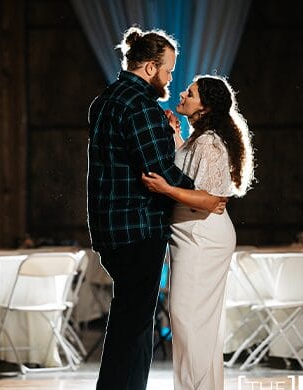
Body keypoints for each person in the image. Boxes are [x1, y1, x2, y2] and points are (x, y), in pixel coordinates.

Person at [87, 27, 225, 390]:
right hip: (138, 228)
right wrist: (206, 196)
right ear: (150, 67)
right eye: (168, 70)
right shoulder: (140, 105)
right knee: (133, 326)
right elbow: (159, 171)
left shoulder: (104, 100)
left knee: (127, 319)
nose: (170, 79)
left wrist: (168, 136)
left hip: (109, 229)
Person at [141, 75, 255, 390]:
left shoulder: (209, 142)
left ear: (204, 107)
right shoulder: (198, 140)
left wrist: (164, 189)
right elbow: (191, 174)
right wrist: (175, 134)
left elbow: (209, 198)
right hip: (192, 233)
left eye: (190, 93)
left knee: (187, 318)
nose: (182, 93)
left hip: (201, 236)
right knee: (194, 321)